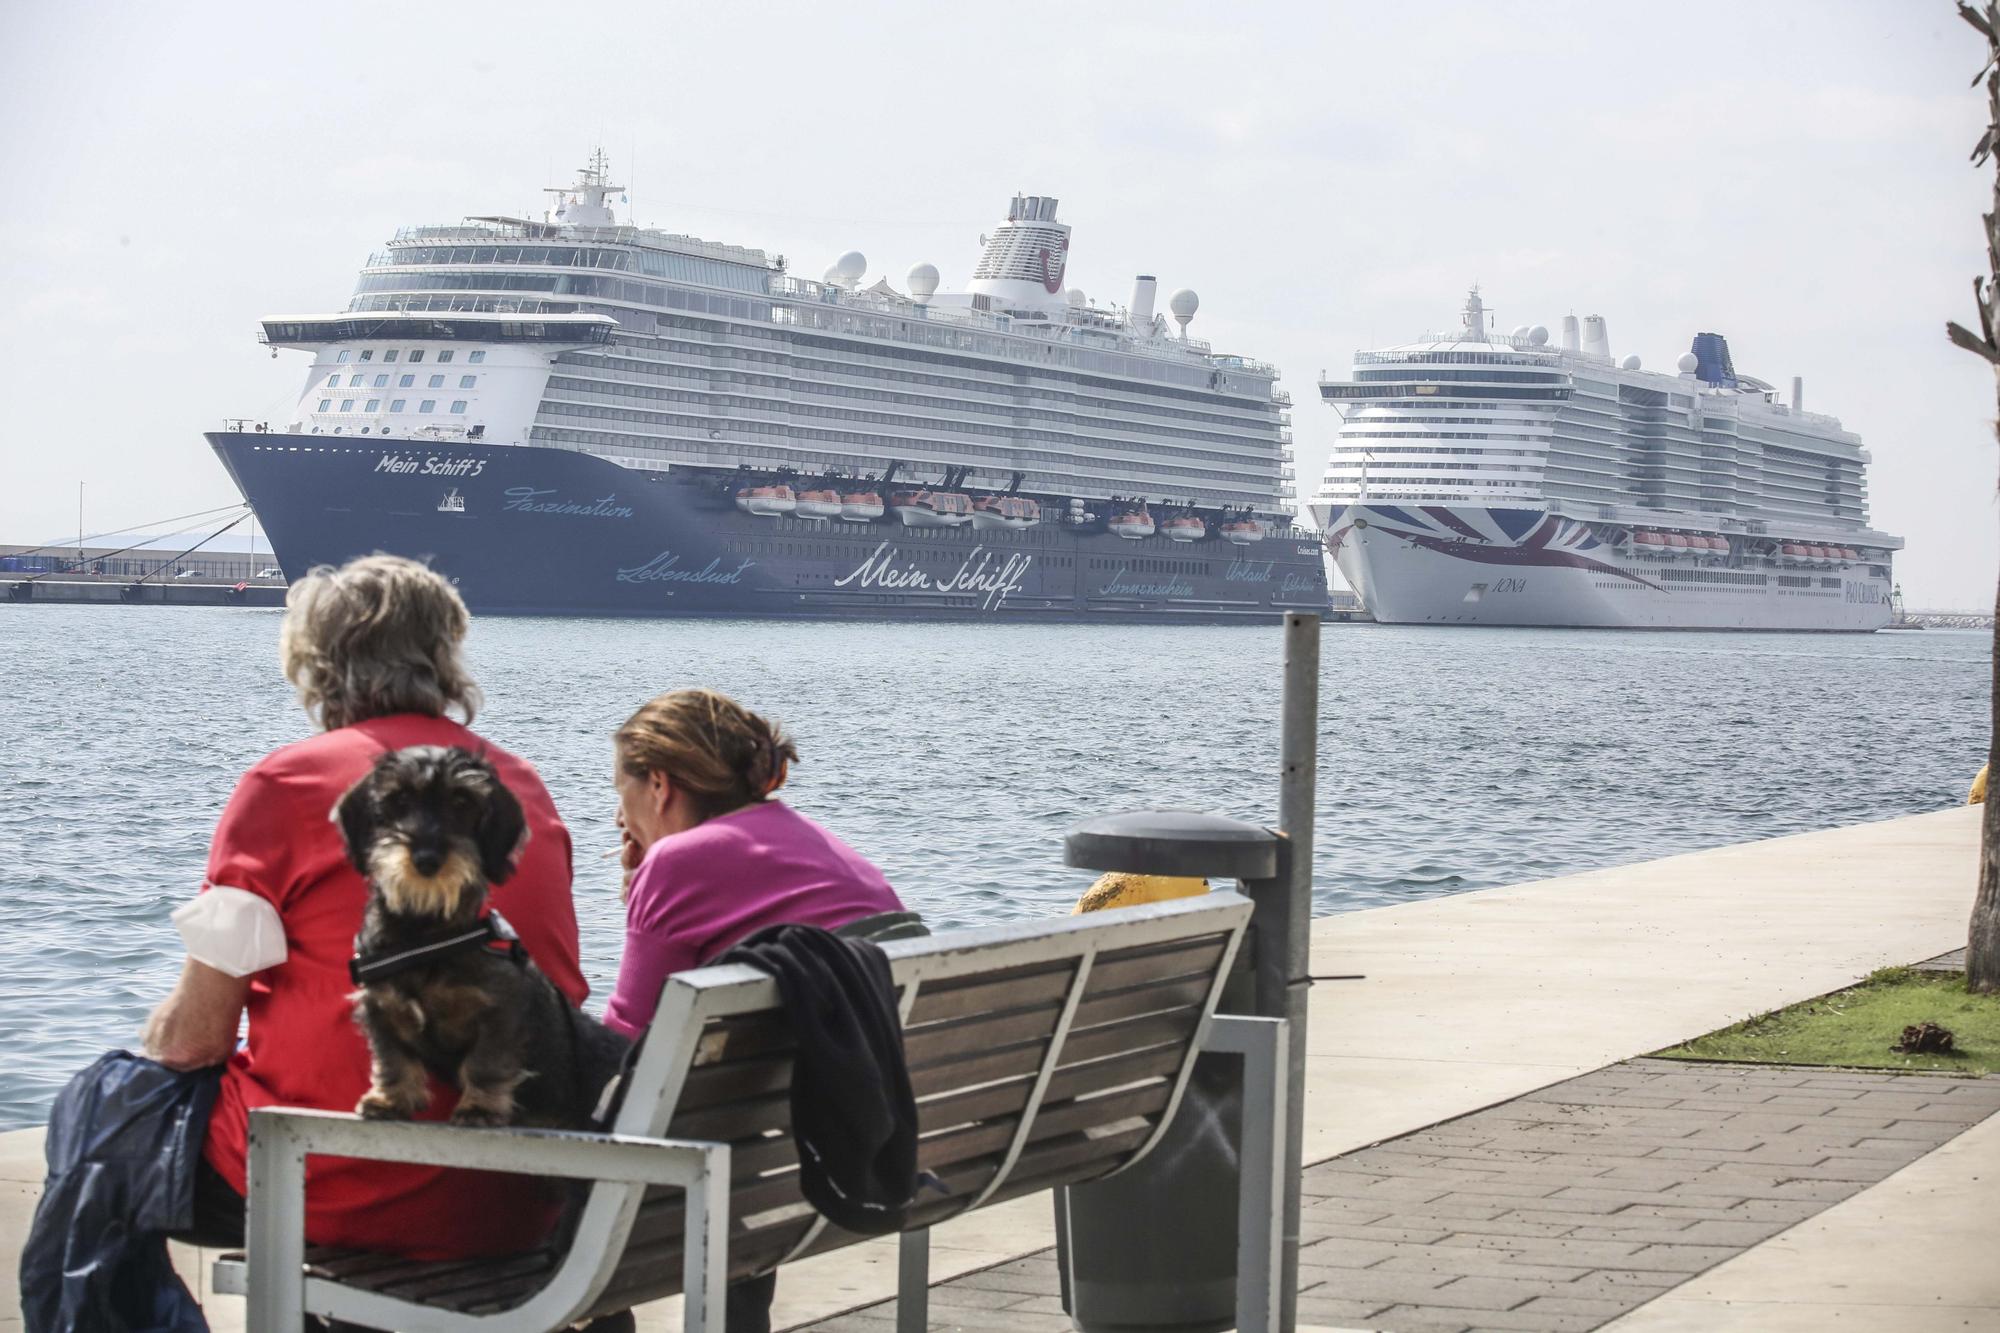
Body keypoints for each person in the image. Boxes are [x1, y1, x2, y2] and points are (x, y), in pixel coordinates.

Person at [142, 554, 586, 1259]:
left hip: (336, 1177)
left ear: (316, 664)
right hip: (517, 1199)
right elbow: (561, 986)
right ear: (445, 655)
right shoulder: (517, 785)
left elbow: (191, 1041)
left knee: (104, 1120)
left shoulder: (286, 782)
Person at [606, 688, 911, 1333]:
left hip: (764, 1160)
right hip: (855, 1139)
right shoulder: (826, 846)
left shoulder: (678, 861)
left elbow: (627, 1046)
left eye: (621, 793)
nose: (618, 819)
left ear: (659, 786)